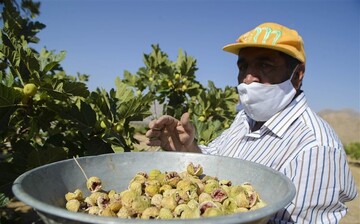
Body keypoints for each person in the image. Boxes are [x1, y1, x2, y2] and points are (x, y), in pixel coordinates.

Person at [145, 22, 358, 223]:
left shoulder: (316, 149)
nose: (248, 77)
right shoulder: (244, 119)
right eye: (243, 65)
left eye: (264, 65)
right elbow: (218, 167)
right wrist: (189, 149)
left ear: (297, 75)